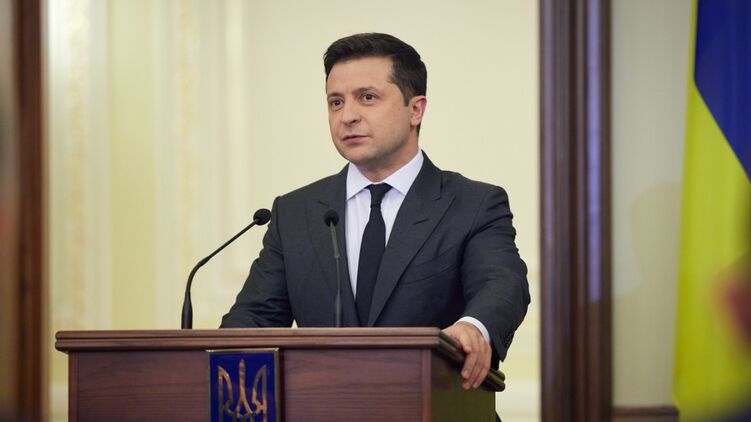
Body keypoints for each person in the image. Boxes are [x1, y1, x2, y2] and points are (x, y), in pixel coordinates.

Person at [221, 33, 530, 392]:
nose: (348, 116)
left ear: (415, 110)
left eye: (367, 97)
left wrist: (473, 327)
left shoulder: (473, 204)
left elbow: (502, 283)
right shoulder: (295, 213)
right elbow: (253, 320)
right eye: (336, 102)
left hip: (436, 403)